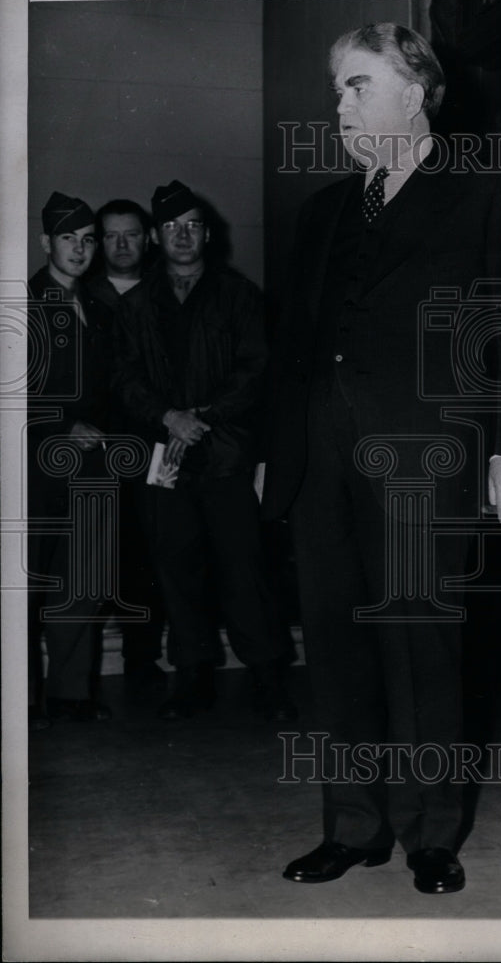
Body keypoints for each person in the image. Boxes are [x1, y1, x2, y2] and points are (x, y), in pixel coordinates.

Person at [262, 23, 501, 894]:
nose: (338, 104)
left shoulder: (485, 193)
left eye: (356, 86)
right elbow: (294, 346)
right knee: (338, 650)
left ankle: (430, 834)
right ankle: (352, 827)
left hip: (427, 460)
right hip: (322, 464)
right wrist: (281, 451)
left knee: (420, 648)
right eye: (338, 89)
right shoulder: (323, 211)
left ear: (413, 91)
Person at [112, 180, 296, 721]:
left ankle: (267, 675)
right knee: (176, 567)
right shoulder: (135, 305)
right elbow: (123, 377)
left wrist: (203, 418)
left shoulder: (239, 296)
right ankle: (192, 675)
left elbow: (256, 370)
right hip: (164, 457)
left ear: (207, 234)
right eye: (171, 227)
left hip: (225, 454)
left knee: (244, 568)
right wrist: (168, 417)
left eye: (192, 225)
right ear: (153, 236)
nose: (182, 235)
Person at [27, 191, 113, 723]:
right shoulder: (22, 304)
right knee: (29, 586)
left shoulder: (101, 311)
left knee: (81, 583)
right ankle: (24, 701)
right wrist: (62, 425)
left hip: (91, 468)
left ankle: (70, 694)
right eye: (68, 240)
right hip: (36, 468)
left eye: (87, 241)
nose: (80, 251)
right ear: (45, 244)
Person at [89, 199, 167, 686]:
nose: (122, 245)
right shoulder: (81, 290)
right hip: (96, 448)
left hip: (157, 446)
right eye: (111, 235)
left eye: (132, 234)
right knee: (100, 553)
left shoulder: (169, 289)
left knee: (152, 551)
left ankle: (141, 658)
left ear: (148, 237)